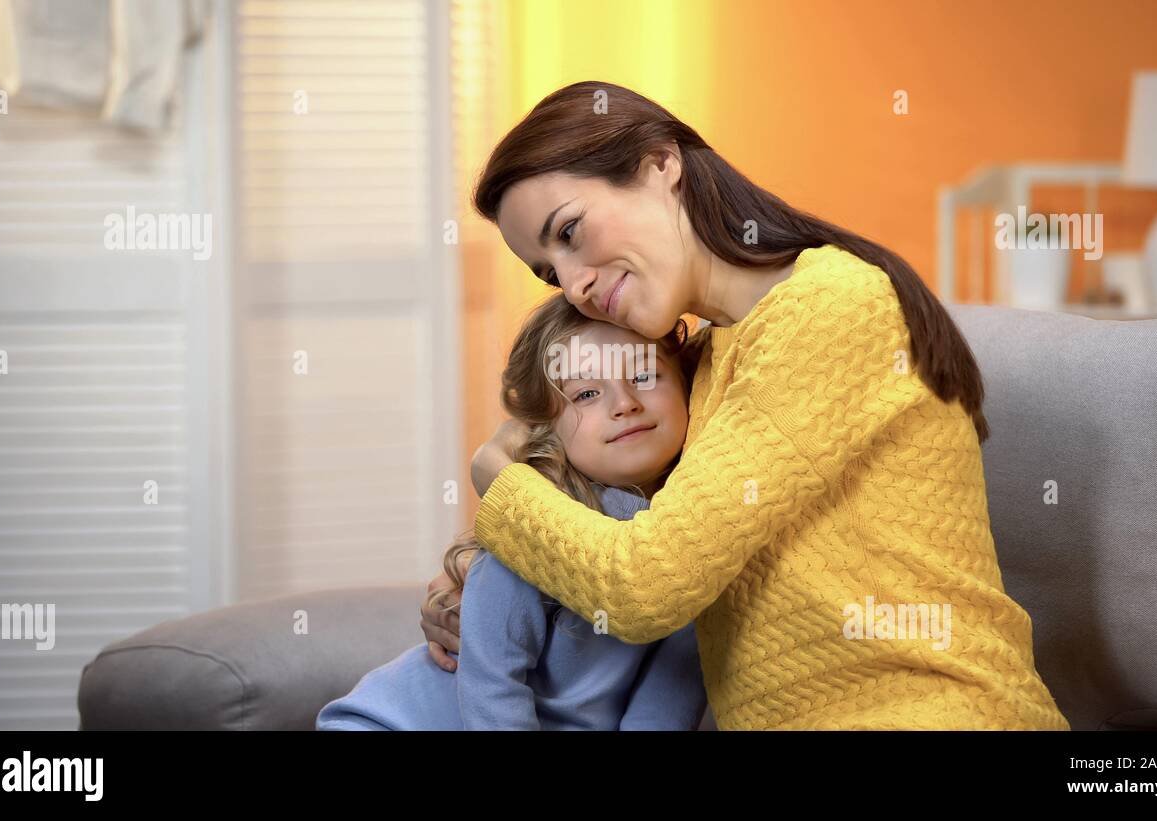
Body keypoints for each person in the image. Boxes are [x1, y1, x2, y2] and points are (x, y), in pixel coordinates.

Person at [420, 80, 1071, 730]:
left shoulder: (830, 310)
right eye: (548, 272)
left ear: (659, 163)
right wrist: (481, 588)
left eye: (569, 231)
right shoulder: (701, 364)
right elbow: (579, 458)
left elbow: (644, 584)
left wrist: (497, 481)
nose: (575, 283)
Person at [317, 294, 708, 730]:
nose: (624, 403)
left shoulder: (698, 539)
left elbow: (669, 696)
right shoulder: (532, 523)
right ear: (548, 429)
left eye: (643, 374)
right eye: (587, 393)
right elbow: (493, 687)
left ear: (688, 384)